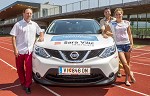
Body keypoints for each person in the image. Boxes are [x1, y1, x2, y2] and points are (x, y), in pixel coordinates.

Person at [10, 8, 44, 94]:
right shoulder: (18, 24)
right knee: (20, 68)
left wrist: (41, 36)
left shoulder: (34, 24)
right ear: (23, 14)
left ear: (32, 14)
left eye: (30, 13)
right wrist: (15, 49)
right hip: (20, 51)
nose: (29, 15)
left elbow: (41, 31)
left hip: (29, 51)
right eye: (27, 13)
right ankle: (23, 82)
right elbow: (13, 37)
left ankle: (28, 85)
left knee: (29, 69)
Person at [104, 8, 136, 86]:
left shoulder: (126, 23)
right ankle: (131, 74)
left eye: (120, 14)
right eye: (117, 14)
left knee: (128, 63)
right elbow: (105, 31)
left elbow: (129, 34)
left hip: (127, 44)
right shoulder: (112, 23)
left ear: (122, 14)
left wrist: (131, 44)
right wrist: (110, 35)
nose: (118, 15)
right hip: (119, 46)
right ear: (115, 15)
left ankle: (126, 80)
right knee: (124, 63)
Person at [100, 8, 122, 77]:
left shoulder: (115, 19)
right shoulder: (102, 21)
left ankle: (119, 71)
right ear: (104, 13)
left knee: (119, 55)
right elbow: (103, 29)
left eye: (108, 12)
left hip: (117, 39)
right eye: (105, 12)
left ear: (110, 12)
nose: (107, 13)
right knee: (112, 56)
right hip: (108, 40)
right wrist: (105, 33)